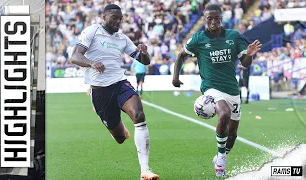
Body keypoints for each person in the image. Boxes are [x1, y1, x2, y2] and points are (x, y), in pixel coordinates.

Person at [70, 4, 159, 180]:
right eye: (114, 18)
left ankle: (145, 170)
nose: (118, 21)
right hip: (100, 91)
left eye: (120, 18)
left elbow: (143, 60)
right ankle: (114, 124)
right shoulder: (92, 31)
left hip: (120, 83)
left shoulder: (122, 38)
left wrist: (144, 54)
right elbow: (75, 56)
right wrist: (91, 63)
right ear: (104, 17)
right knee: (119, 138)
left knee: (139, 115)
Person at [172, 4, 261, 177]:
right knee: (224, 114)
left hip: (232, 89)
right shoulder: (198, 39)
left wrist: (249, 55)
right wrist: (175, 77)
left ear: (222, 18)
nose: (213, 22)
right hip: (211, 87)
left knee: (233, 134)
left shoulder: (234, 36)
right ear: (204, 20)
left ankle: (221, 154)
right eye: (209, 18)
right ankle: (221, 159)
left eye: (216, 18)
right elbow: (181, 55)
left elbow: (245, 63)